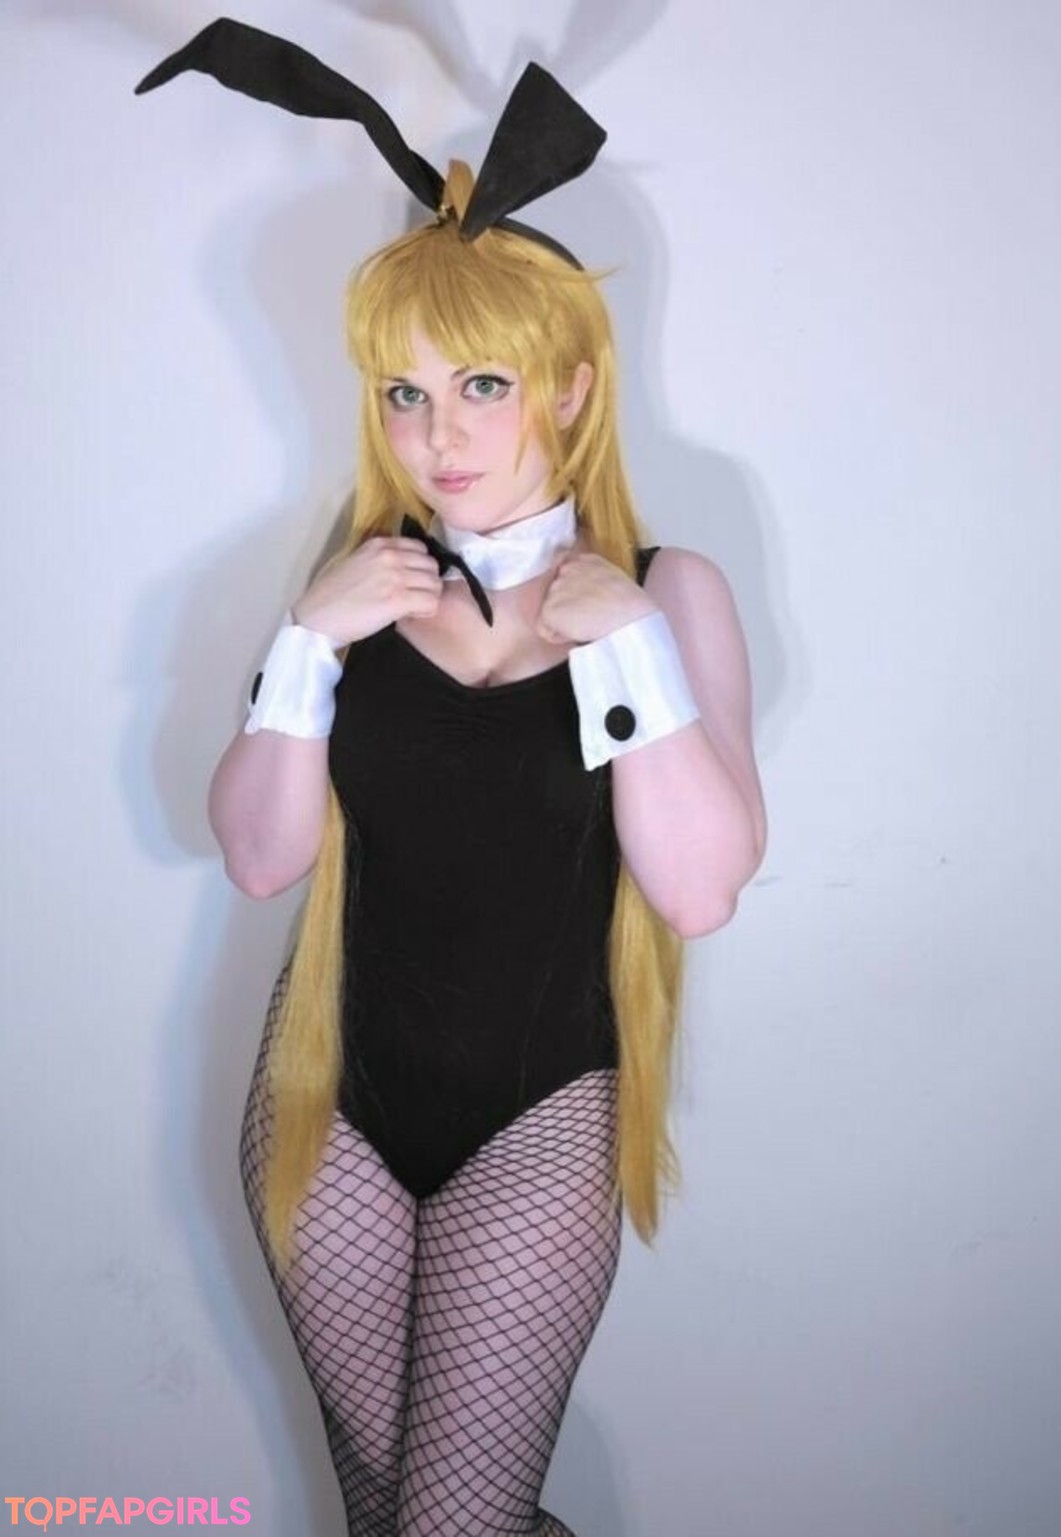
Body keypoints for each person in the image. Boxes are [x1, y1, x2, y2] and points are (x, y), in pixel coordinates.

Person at [140, 20, 765, 1536]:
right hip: (327, 1096)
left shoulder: (668, 592)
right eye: (404, 394)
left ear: (570, 389)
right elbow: (261, 859)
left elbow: (700, 890)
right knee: (387, 1514)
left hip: (543, 1114)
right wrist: (306, 640)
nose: (438, 436)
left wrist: (627, 649)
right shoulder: (357, 583)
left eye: (481, 384)